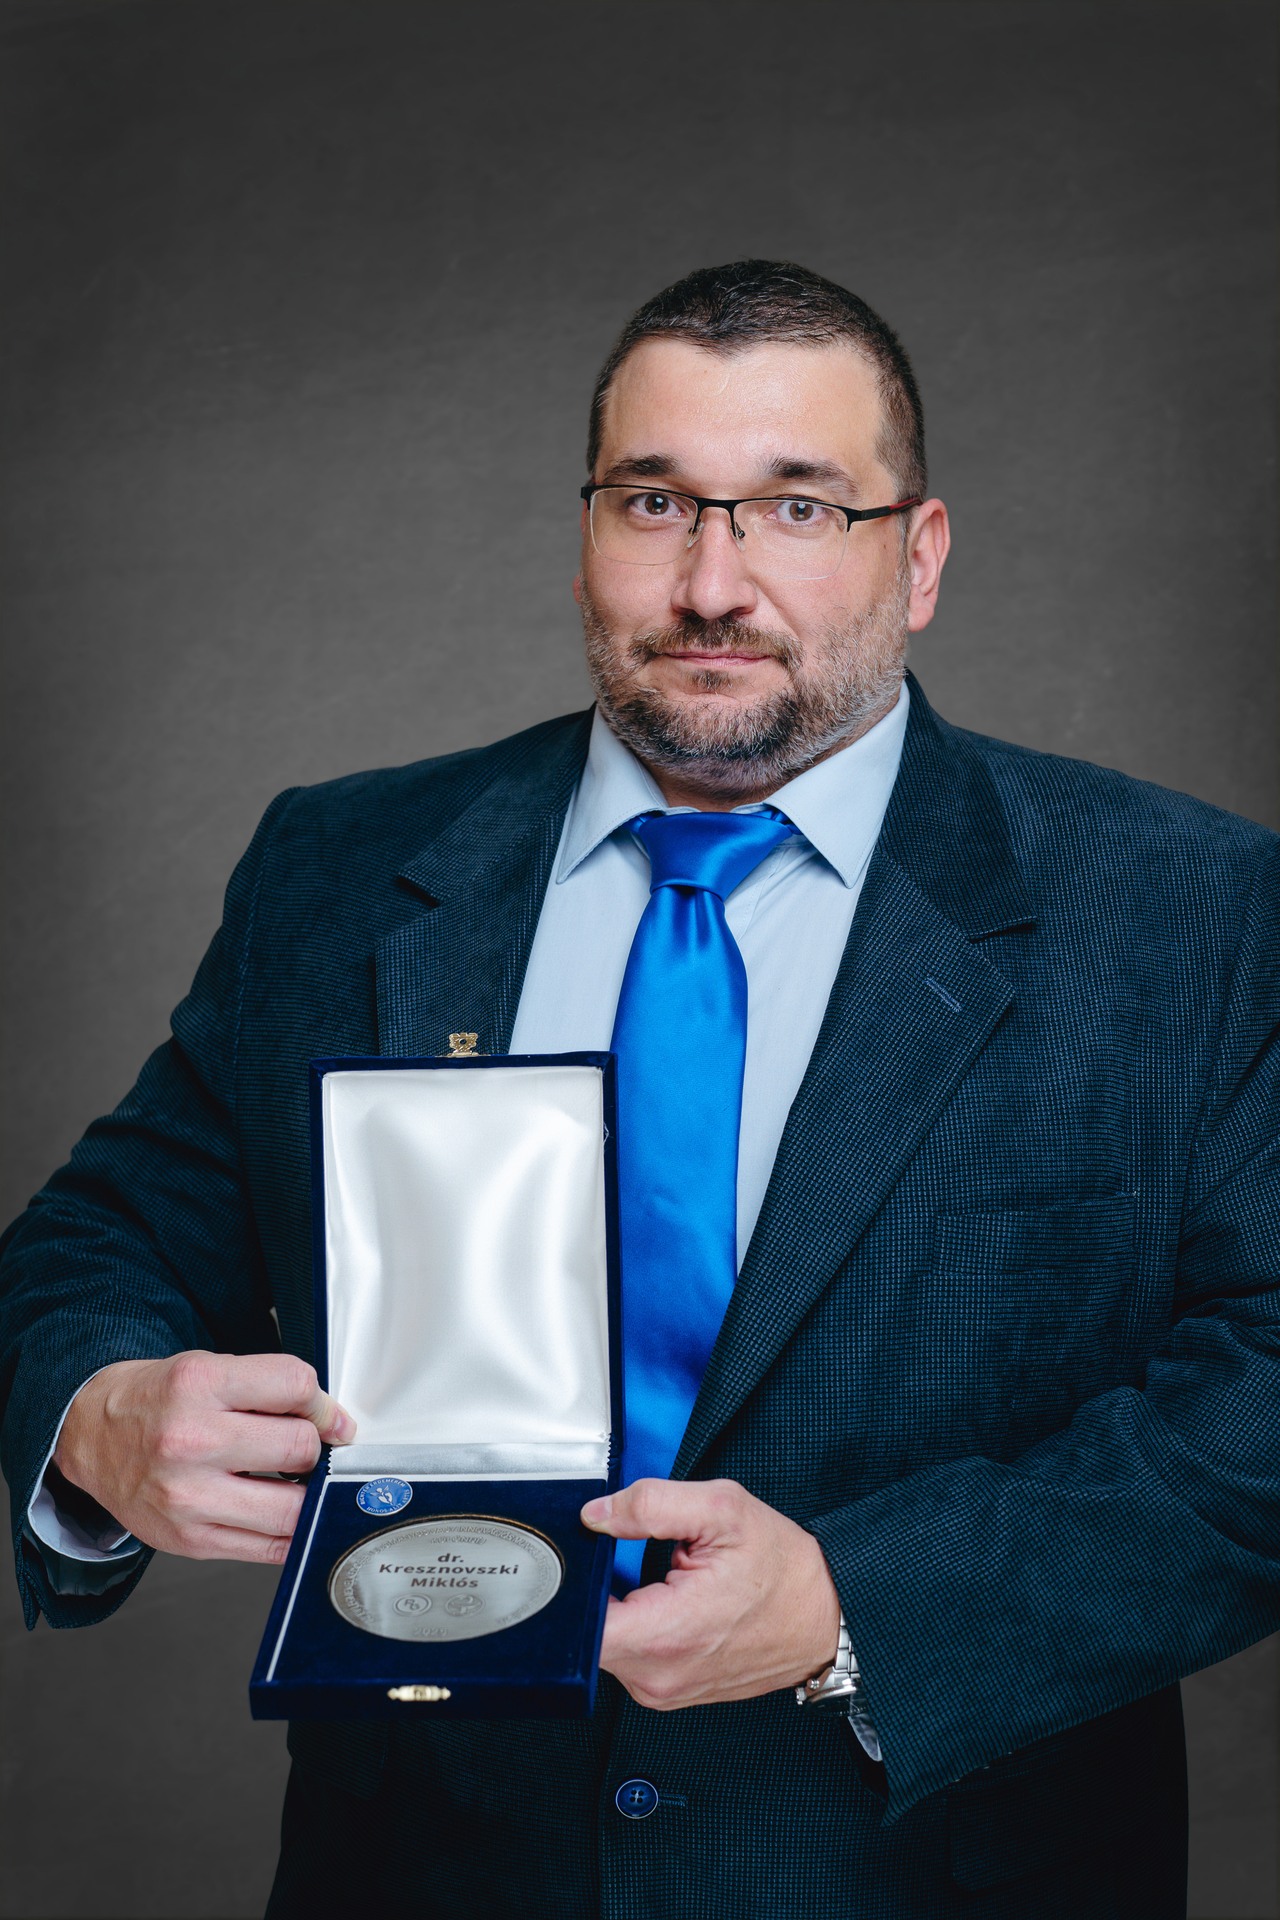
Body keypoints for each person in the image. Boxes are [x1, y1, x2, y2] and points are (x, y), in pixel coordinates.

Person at [2, 259, 1278, 1920]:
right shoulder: (339, 865)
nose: (712, 583)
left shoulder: (1193, 911)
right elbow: (95, 1243)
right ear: (587, 529)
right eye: (657, 501)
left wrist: (856, 1608)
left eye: (799, 508)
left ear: (920, 555)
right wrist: (96, 1415)